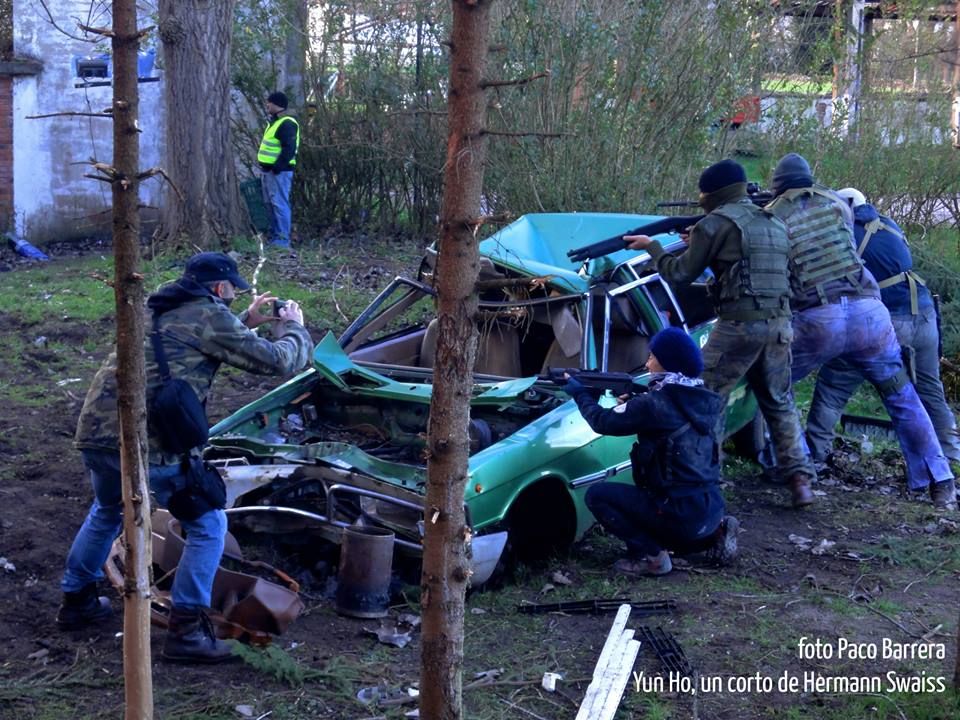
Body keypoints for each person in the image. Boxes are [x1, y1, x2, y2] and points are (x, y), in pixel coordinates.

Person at [58, 252, 314, 662]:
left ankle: (76, 601)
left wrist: (244, 323)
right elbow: (281, 361)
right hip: (151, 443)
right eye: (233, 291)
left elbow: (186, 346)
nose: (234, 297)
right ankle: (187, 632)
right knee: (208, 524)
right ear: (218, 289)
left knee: (108, 510)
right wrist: (294, 328)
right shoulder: (211, 317)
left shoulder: (158, 309)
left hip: (98, 433)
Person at [765, 154, 955, 509]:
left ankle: (799, 467)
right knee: (903, 397)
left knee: (775, 385)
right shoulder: (838, 204)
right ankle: (941, 481)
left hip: (820, 319)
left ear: (778, 186)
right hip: (872, 313)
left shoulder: (774, 215)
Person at [625, 159, 818, 508]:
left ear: (711, 193)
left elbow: (679, 275)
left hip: (737, 327)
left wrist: (653, 248)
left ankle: (704, 482)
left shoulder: (715, 223)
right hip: (779, 326)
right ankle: (800, 480)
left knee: (704, 399)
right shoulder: (773, 222)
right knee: (779, 402)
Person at [805, 188, 960, 479]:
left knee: (833, 386)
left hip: (885, 321)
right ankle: (951, 457)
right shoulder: (889, 224)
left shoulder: (846, 232)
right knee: (930, 391)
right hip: (924, 315)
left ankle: (813, 457)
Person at [565, 327, 738, 576]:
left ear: (668, 363)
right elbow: (665, 414)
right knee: (676, 509)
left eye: (652, 357)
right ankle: (715, 533)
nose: (647, 364)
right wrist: (637, 402)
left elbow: (602, 422)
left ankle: (652, 557)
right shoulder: (700, 398)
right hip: (708, 508)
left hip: (677, 515)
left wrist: (580, 394)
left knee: (598, 495)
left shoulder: (652, 404)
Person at [258, 91, 300, 247]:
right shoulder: (275, 122)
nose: (267, 105)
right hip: (270, 172)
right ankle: (276, 237)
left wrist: (277, 167)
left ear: (276, 104)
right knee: (271, 204)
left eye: (269, 102)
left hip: (279, 172)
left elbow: (289, 148)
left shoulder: (286, 123)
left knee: (280, 204)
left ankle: (282, 240)